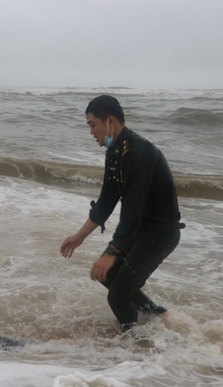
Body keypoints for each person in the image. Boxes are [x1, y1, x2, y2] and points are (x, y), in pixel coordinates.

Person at [60, 95, 184, 331]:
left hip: (159, 235)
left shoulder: (138, 153)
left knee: (117, 296)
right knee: (107, 277)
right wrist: (79, 236)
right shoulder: (115, 152)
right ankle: (157, 316)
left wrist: (111, 251)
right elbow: (107, 200)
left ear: (110, 122)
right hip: (142, 232)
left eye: (92, 124)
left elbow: (132, 210)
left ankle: (134, 348)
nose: (91, 132)